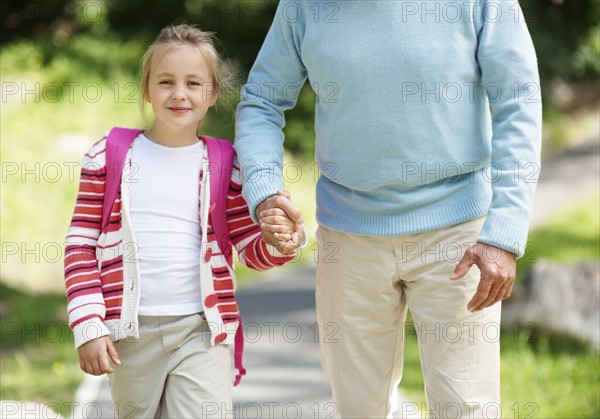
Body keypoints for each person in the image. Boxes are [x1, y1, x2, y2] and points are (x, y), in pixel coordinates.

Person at [235, 1, 542, 417]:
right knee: (361, 409)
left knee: (465, 408)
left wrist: (504, 231)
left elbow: (518, 101)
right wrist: (265, 189)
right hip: (348, 236)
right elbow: (262, 101)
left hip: (457, 234)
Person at [63, 24, 303, 418]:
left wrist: (279, 242)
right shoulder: (109, 155)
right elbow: (80, 246)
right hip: (129, 334)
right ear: (146, 88)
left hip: (202, 330)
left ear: (211, 94)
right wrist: (88, 324)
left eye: (193, 82)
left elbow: (248, 248)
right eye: (166, 81)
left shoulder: (226, 163)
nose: (179, 93)